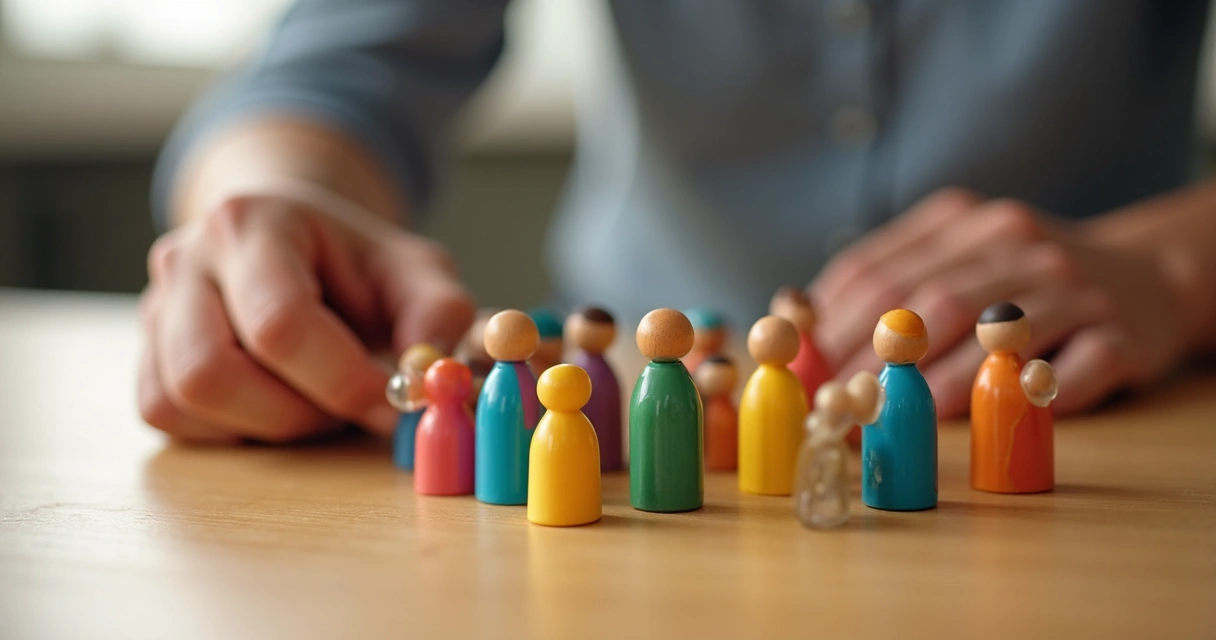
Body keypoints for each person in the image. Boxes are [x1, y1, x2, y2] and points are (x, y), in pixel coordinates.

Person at [138, 0, 1216, 444]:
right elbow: (346, 57)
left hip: (1109, 418)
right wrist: (275, 202)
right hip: (638, 434)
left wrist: (1172, 262)